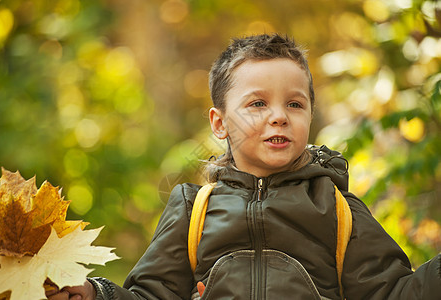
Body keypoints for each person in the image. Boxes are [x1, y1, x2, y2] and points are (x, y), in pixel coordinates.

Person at [48, 34, 441, 300]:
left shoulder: (337, 210)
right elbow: (152, 296)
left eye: (294, 104)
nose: (279, 117)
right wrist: (96, 293)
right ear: (219, 123)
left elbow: (394, 293)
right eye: (257, 104)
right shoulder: (193, 211)